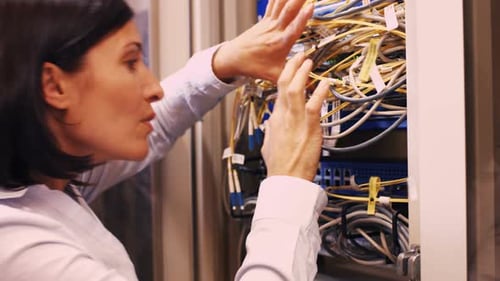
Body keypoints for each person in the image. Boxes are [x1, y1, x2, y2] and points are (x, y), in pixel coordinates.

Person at [0, 0, 329, 280]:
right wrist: (288, 182)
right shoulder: (24, 253)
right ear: (55, 87)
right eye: (130, 62)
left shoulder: (41, 179)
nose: (153, 88)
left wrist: (222, 64)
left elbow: (152, 123)